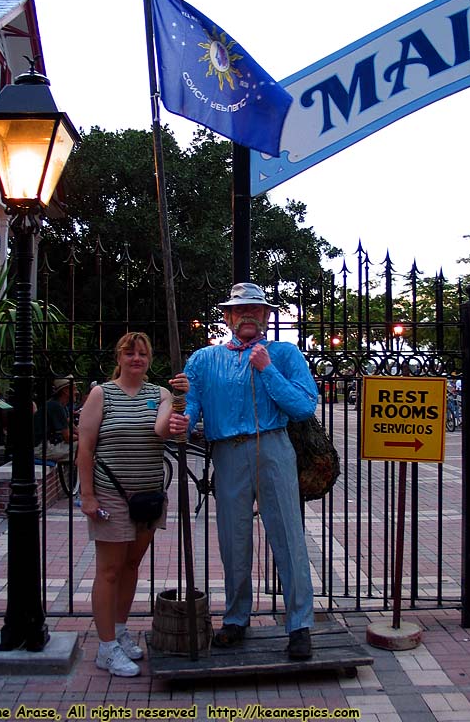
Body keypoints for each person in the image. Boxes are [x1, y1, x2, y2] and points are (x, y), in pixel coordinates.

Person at [184, 283, 318, 660]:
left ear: (266, 316)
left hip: (273, 446)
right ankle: (235, 617)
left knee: (288, 536)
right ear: (227, 317)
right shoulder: (203, 360)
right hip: (227, 452)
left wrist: (267, 369)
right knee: (233, 538)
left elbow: (304, 406)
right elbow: (190, 404)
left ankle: (299, 624)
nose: (248, 316)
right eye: (239, 310)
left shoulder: (284, 354)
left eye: (256, 310)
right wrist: (181, 419)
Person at [77, 332, 189, 677]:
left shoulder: (160, 394)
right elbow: (85, 446)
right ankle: (106, 648)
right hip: (111, 493)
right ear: (119, 357)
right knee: (109, 570)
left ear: (149, 358)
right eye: (130, 353)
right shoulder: (102, 394)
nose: (136, 359)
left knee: (130, 566)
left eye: (142, 353)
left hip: (149, 494)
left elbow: (161, 431)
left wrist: (182, 403)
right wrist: (87, 495)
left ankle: (121, 631)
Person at [33, 375, 78, 461]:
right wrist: (85, 436)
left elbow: (73, 428)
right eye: (75, 389)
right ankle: (71, 473)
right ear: (66, 391)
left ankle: (70, 471)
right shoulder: (56, 407)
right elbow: (67, 437)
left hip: (48, 444)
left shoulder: (61, 406)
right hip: (40, 449)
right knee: (84, 444)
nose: (77, 392)